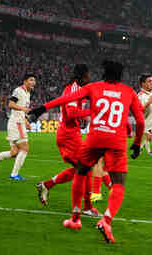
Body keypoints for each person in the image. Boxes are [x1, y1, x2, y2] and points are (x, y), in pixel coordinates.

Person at [28, 61, 145, 243]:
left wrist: (42, 108)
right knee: (119, 183)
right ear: (120, 76)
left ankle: (75, 219)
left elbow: (65, 100)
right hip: (115, 140)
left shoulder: (93, 87)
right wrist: (137, 144)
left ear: (104, 74)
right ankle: (105, 221)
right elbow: (141, 122)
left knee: (81, 172)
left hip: (94, 139)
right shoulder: (128, 91)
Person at [35, 64, 100, 217]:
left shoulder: (78, 89)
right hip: (69, 134)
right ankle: (87, 207)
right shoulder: (73, 89)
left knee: (81, 169)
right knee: (86, 168)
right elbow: (71, 113)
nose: (90, 78)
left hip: (72, 133)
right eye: (88, 75)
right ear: (83, 76)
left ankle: (46, 185)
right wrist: (90, 112)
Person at [0, 74, 36, 180]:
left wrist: (26, 120)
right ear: (25, 81)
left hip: (18, 122)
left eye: (34, 80)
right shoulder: (18, 91)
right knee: (25, 148)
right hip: (16, 123)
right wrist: (23, 110)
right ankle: (14, 174)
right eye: (31, 80)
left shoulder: (28, 93)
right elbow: (11, 104)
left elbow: (21, 110)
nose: (34, 82)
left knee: (14, 152)